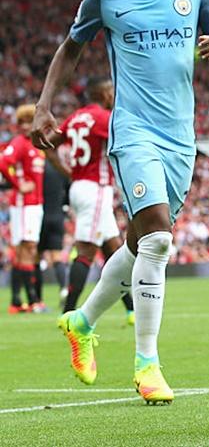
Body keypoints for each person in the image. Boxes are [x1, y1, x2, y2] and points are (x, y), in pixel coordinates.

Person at [31, 0, 209, 404]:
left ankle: (81, 321)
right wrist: (43, 106)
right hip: (134, 132)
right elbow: (71, 47)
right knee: (160, 242)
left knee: (138, 242)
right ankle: (147, 362)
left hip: (180, 138)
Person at [45, 77, 135, 322]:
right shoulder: (104, 118)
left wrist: (69, 172)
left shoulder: (75, 118)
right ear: (103, 93)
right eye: (111, 91)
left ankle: (131, 309)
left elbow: (48, 144)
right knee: (85, 249)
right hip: (95, 189)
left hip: (81, 187)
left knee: (113, 249)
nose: (113, 95)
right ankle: (68, 313)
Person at [0, 104, 47, 313]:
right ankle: (33, 301)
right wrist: (18, 185)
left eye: (31, 121)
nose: (28, 125)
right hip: (24, 205)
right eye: (24, 122)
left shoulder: (35, 145)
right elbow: (3, 162)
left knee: (22, 251)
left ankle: (16, 301)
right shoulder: (19, 143)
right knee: (27, 249)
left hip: (34, 204)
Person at [37, 158, 70, 308]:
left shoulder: (39, 167)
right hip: (58, 216)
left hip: (41, 215)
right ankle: (63, 289)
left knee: (35, 257)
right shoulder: (60, 167)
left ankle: (37, 299)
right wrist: (64, 206)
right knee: (57, 256)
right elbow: (69, 190)